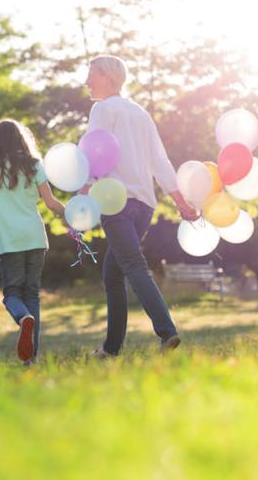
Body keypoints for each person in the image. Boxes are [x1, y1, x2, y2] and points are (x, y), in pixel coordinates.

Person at [82, 56, 199, 358]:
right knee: (113, 273)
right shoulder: (139, 112)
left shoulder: (102, 109)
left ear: (108, 77)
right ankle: (110, 349)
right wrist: (180, 202)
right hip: (144, 205)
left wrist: (83, 192)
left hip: (115, 201)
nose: (86, 82)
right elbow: (160, 161)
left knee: (133, 265)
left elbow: (93, 151)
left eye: (91, 75)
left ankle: (167, 332)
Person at [0, 119, 65, 363]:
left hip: (9, 241)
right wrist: (72, 215)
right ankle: (32, 357)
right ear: (22, 139)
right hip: (34, 237)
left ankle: (22, 319)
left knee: (12, 293)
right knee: (31, 295)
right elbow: (51, 203)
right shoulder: (34, 165)